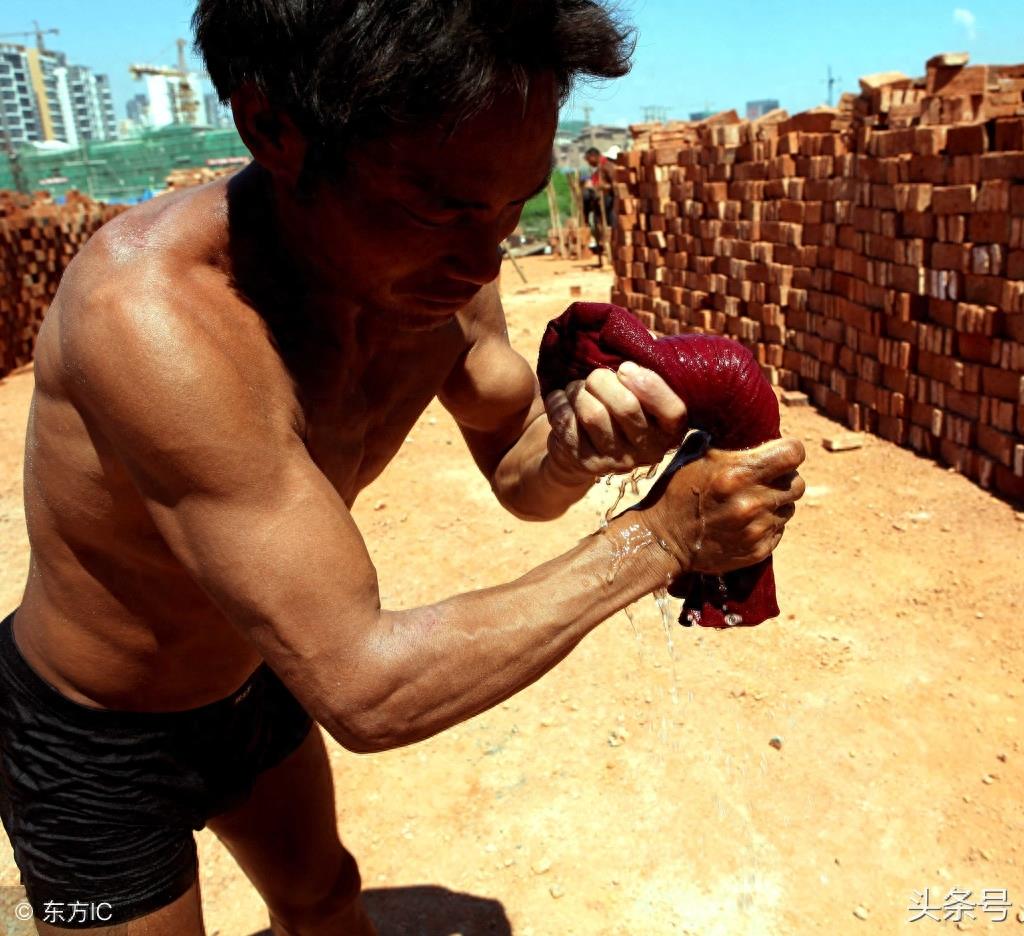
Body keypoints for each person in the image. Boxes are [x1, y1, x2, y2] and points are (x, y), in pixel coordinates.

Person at [1, 2, 805, 934]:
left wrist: (583, 446)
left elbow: (517, 466)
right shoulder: (151, 319)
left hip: (253, 676)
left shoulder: (443, 273)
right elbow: (363, 685)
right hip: (92, 734)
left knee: (323, 899)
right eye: (440, 206)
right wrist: (659, 541)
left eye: (511, 207)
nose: (482, 257)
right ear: (272, 129)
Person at [581, 145, 615, 265]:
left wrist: (601, 187)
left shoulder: (607, 166)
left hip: (608, 200)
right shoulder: (598, 169)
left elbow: (615, 185)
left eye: (589, 160)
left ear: (593, 157)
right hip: (599, 201)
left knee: (611, 227)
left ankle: (612, 253)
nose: (589, 164)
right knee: (597, 225)